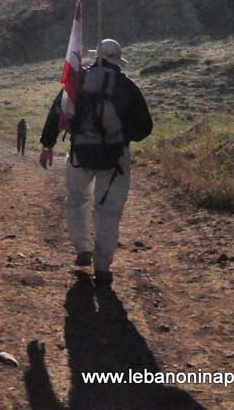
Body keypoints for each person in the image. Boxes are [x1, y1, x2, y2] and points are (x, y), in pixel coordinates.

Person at [38, 39, 152, 285]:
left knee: (77, 200)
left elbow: (58, 111)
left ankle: (82, 248)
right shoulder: (127, 86)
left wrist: (48, 145)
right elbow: (145, 128)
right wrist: (119, 136)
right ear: (117, 59)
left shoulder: (77, 82)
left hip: (80, 153)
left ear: (96, 57)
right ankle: (102, 266)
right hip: (115, 158)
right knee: (108, 211)